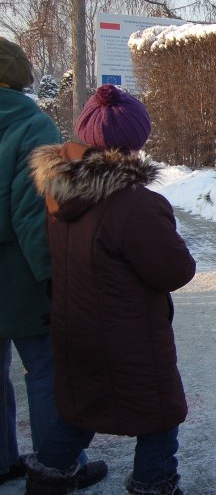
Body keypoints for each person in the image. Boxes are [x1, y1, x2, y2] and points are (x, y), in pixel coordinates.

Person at [26, 84, 196, 494]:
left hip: (77, 329)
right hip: (129, 337)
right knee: (158, 417)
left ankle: (46, 480)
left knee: (79, 410)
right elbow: (174, 270)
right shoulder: (133, 203)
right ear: (136, 141)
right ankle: (154, 484)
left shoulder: (59, 192)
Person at [0, 38, 106, 490]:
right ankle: (58, 464)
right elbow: (31, 213)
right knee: (45, 371)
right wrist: (52, 277)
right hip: (18, 274)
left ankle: (4, 461)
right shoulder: (31, 125)